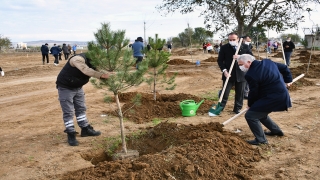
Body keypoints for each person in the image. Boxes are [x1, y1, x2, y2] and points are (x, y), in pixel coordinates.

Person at [56, 53, 111, 146]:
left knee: (81, 108)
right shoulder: (77, 59)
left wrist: (108, 75)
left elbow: (99, 70)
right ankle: (71, 134)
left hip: (78, 87)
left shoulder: (92, 62)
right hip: (66, 87)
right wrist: (101, 75)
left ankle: (85, 129)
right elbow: (86, 70)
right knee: (68, 112)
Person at [236, 54, 293, 145]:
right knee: (259, 112)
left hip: (273, 97)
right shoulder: (268, 62)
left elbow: (253, 92)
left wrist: (250, 105)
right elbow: (284, 68)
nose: (240, 67)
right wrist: (288, 80)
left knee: (251, 115)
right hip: (280, 94)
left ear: (249, 62)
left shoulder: (251, 75)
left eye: (240, 64)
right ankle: (276, 131)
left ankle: (261, 140)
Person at [217, 32, 253, 114]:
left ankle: (237, 108)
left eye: (234, 39)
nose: (232, 41)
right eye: (230, 40)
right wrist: (224, 71)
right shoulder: (224, 48)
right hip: (228, 74)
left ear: (238, 39)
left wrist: (240, 57)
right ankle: (220, 108)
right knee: (225, 93)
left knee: (240, 93)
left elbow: (251, 58)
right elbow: (220, 61)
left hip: (242, 74)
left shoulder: (245, 47)